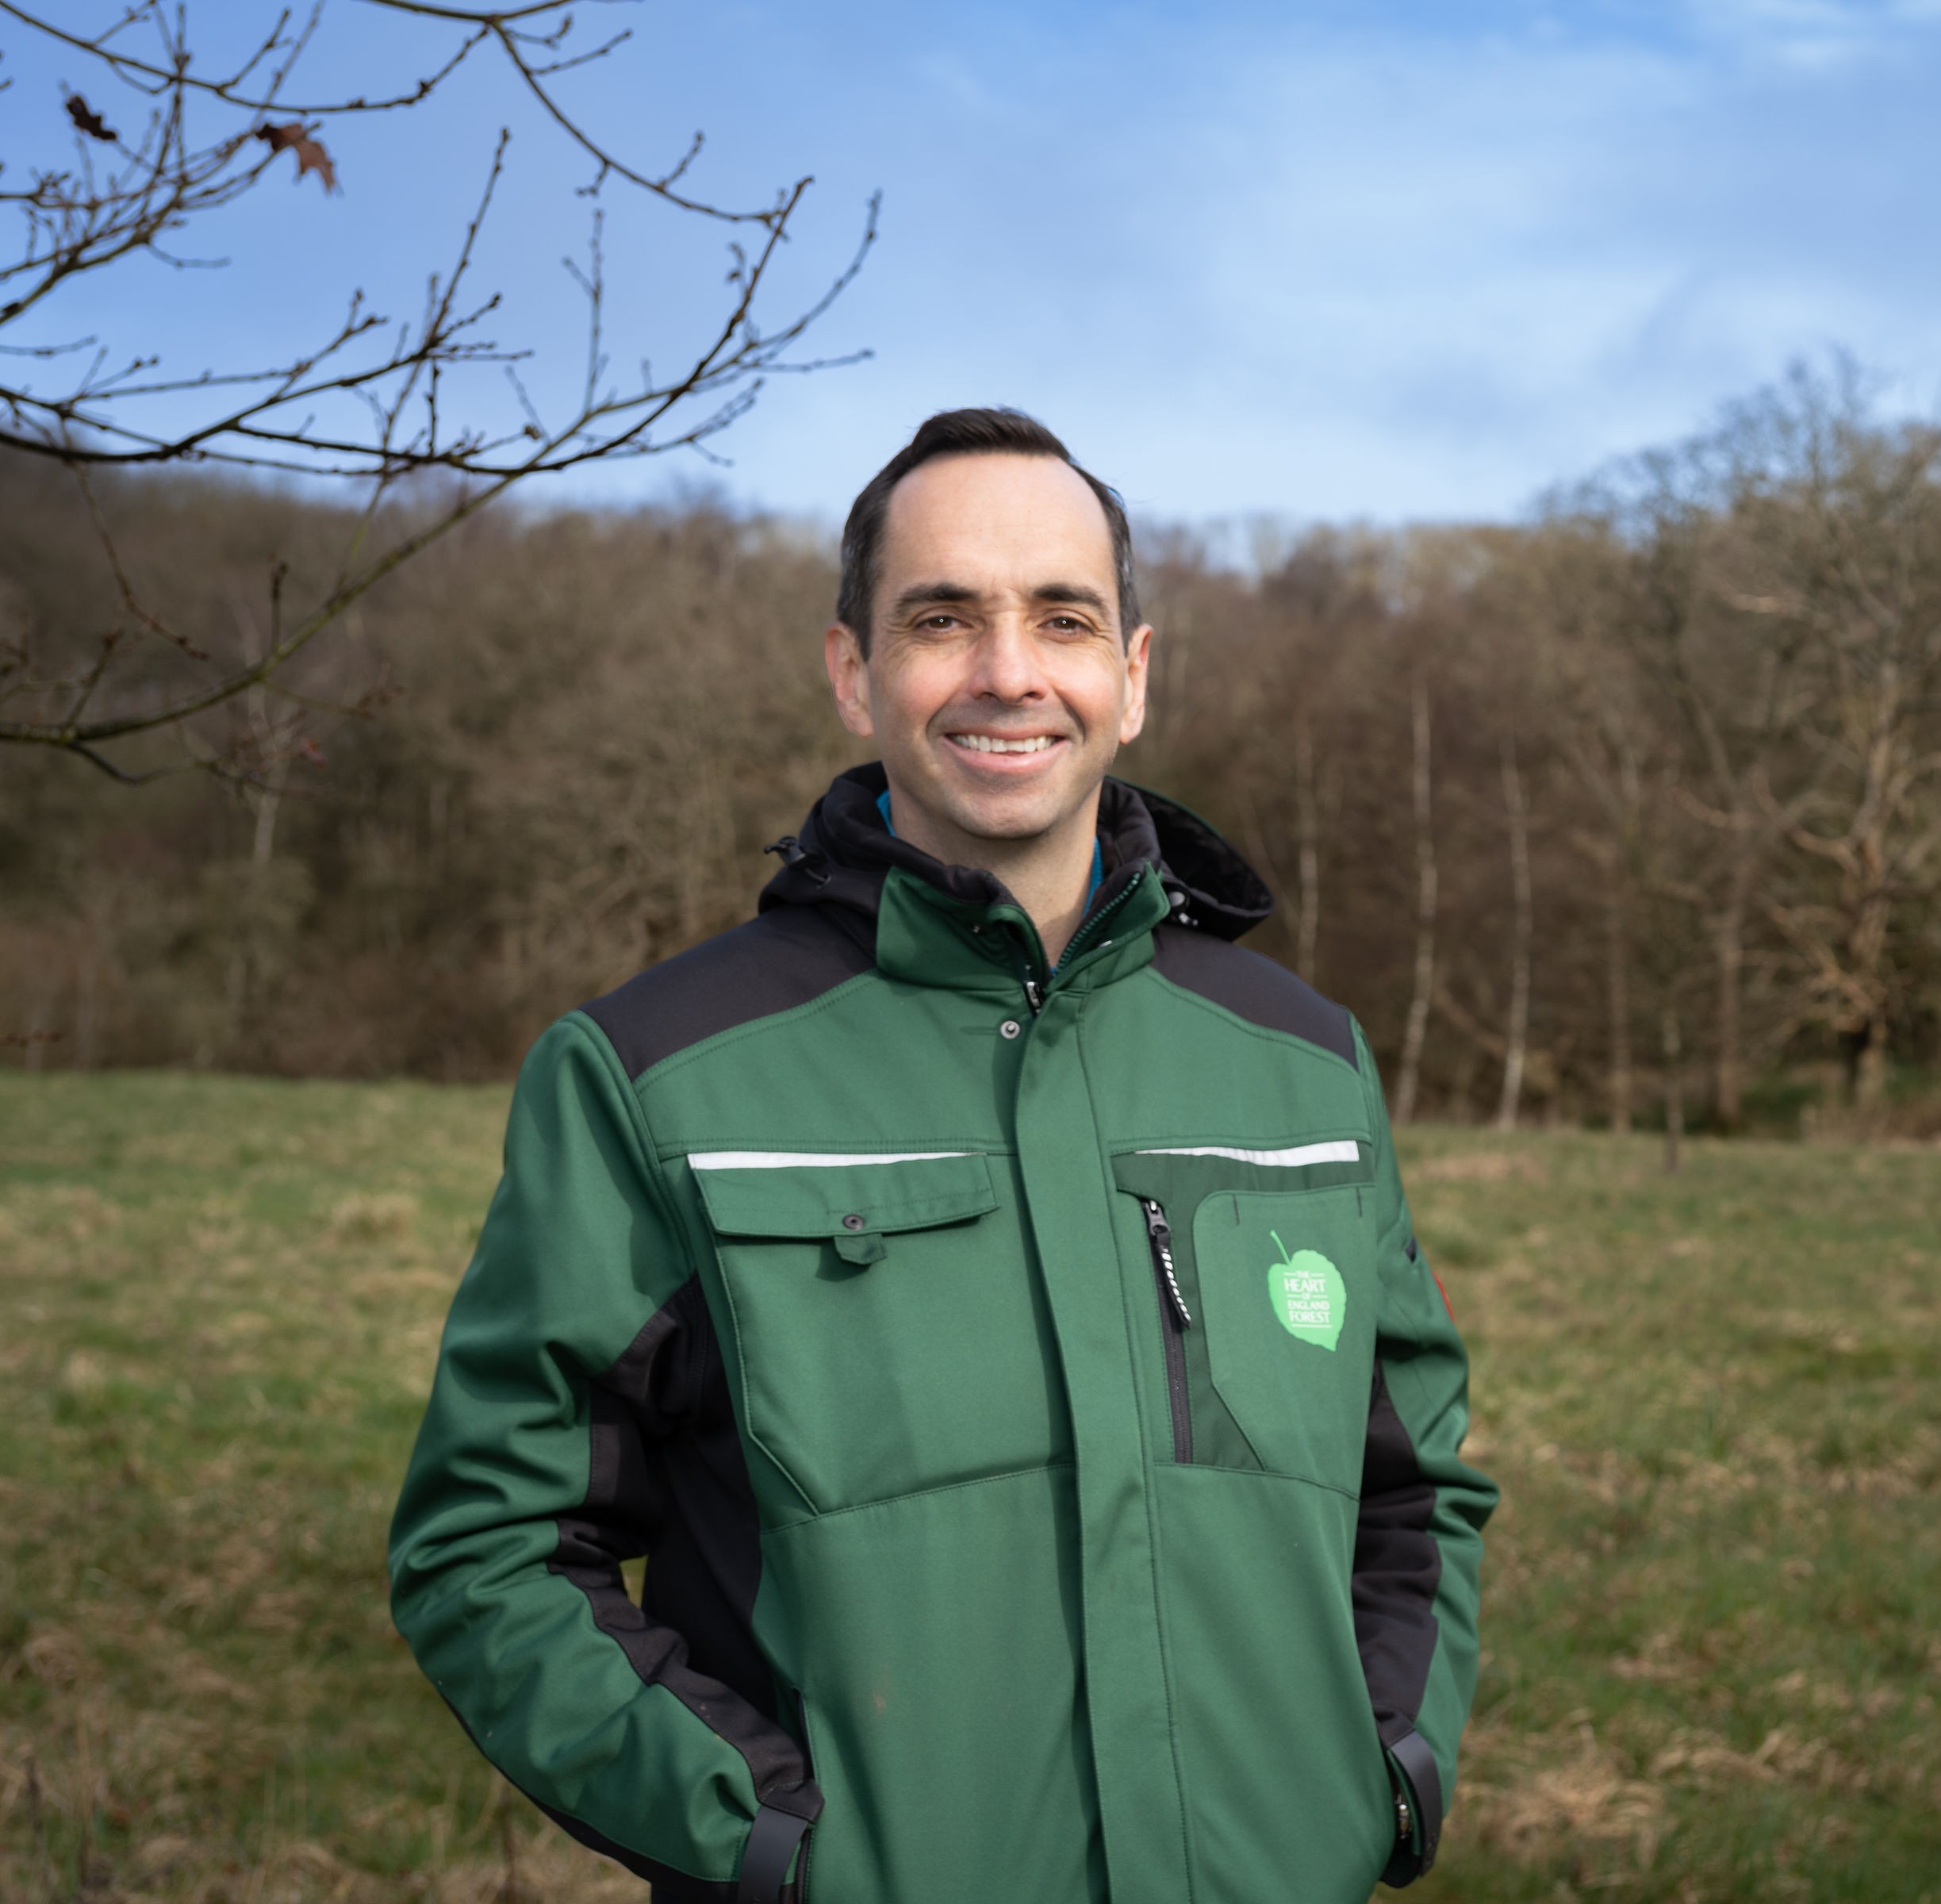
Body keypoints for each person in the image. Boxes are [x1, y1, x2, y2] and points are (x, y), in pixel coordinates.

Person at [389, 408, 1497, 1904]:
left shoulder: (1300, 1060)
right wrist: (772, 1847)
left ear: (1135, 675)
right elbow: (492, 1548)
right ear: (854, 672)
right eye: (940, 618)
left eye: (1063, 616)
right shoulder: (655, 1075)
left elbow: (1413, 1489)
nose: (1009, 671)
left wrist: (1380, 1779)